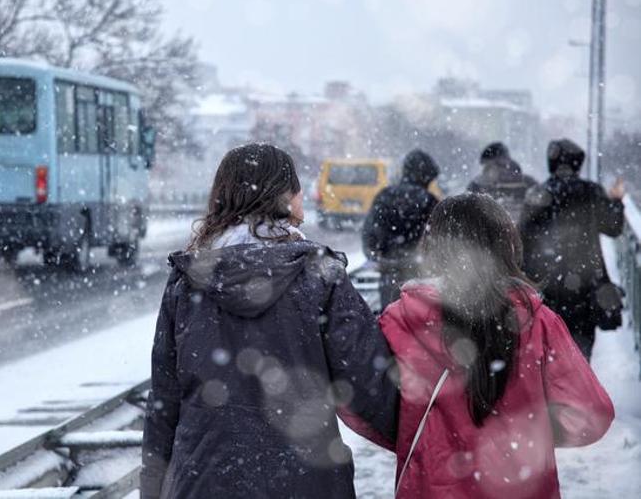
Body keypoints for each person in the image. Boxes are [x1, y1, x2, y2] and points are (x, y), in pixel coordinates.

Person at [141, 143, 398, 499]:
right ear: (286, 199)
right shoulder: (319, 276)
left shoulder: (188, 282)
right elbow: (371, 385)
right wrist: (435, 439)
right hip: (307, 479)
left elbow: (164, 402)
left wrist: (152, 489)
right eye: (297, 189)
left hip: (205, 480)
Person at [341, 193, 614, 499]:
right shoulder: (537, 321)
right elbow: (593, 414)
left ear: (433, 248)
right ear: (506, 245)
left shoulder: (400, 320)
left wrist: (418, 439)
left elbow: (358, 403)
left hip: (433, 487)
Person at [518, 139, 625, 360]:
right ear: (578, 164)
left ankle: (554, 390)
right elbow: (613, 227)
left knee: (549, 354)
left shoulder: (538, 194)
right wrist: (616, 201)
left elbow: (523, 241)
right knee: (581, 353)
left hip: (547, 288)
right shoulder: (591, 192)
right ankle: (578, 390)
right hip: (586, 287)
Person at [362, 149, 439, 309]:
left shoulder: (384, 195)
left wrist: (379, 259)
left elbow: (369, 235)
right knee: (419, 324)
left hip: (388, 274)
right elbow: (437, 240)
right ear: (426, 176)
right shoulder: (429, 201)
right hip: (419, 274)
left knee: (391, 321)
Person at [467, 141, 537, 222]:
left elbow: (538, 211)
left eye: (495, 165)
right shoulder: (477, 185)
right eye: (488, 166)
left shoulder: (526, 182)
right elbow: (469, 212)